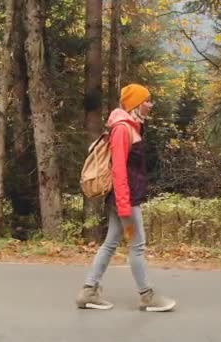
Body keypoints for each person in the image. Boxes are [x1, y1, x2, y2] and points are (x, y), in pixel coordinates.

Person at [76, 84, 177, 312]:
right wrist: (124, 205)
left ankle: (88, 291)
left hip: (125, 197)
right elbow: (119, 169)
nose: (150, 104)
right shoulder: (123, 129)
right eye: (147, 100)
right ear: (135, 104)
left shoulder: (132, 126)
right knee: (138, 246)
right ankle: (147, 296)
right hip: (126, 199)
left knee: (110, 243)